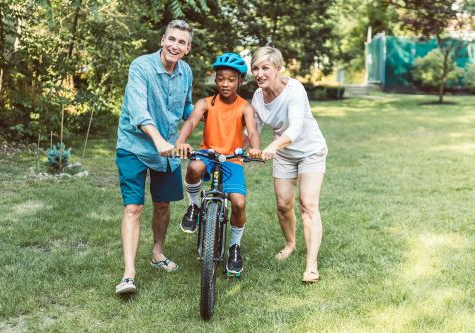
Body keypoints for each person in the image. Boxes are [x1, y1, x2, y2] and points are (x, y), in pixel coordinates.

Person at [114, 20, 193, 294]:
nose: (175, 45)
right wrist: (158, 139)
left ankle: (157, 254)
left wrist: (213, 112)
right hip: (134, 146)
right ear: (162, 40)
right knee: (133, 208)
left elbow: (186, 109)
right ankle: (128, 275)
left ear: (187, 48)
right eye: (171, 39)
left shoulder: (186, 73)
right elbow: (138, 111)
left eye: (181, 42)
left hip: (167, 151)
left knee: (162, 204)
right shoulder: (141, 66)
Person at [175, 52, 261, 275]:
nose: (225, 83)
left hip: (233, 158)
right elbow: (192, 121)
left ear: (240, 81)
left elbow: (252, 130)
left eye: (231, 80)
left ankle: (234, 246)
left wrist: (256, 148)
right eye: (221, 78)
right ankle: (194, 206)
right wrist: (180, 141)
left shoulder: (245, 107)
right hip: (208, 154)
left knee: (238, 203)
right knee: (194, 167)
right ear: (216, 80)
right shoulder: (205, 103)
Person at [250, 46, 328, 283]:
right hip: (284, 155)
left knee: (308, 205)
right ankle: (291, 244)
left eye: (265, 68)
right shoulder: (257, 96)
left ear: (278, 68)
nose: (259, 73)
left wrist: (272, 147)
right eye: (255, 68)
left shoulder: (294, 89)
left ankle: (311, 266)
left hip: (310, 151)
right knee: (283, 204)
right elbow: (251, 128)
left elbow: (295, 127)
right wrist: (243, 147)